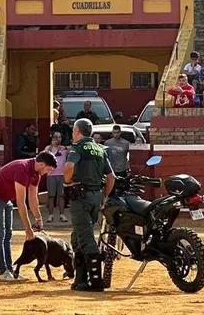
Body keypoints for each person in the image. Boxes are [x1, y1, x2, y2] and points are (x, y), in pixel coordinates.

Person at [0, 150, 57, 281]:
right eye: (49, 169)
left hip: (5, 199)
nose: (48, 173)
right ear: (42, 165)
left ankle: (10, 271)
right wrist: (27, 227)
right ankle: (3, 272)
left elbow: (33, 199)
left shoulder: (35, 175)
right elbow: (21, 203)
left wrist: (38, 219)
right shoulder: (23, 169)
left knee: (7, 234)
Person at [63, 118, 116, 292]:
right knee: (77, 237)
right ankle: (80, 279)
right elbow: (111, 177)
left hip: (81, 198)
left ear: (77, 131)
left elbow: (69, 166)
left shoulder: (78, 148)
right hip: (94, 198)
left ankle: (95, 281)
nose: (72, 134)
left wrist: (67, 181)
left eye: (73, 131)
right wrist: (103, 198)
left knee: (85, 239)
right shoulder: (100, 149)